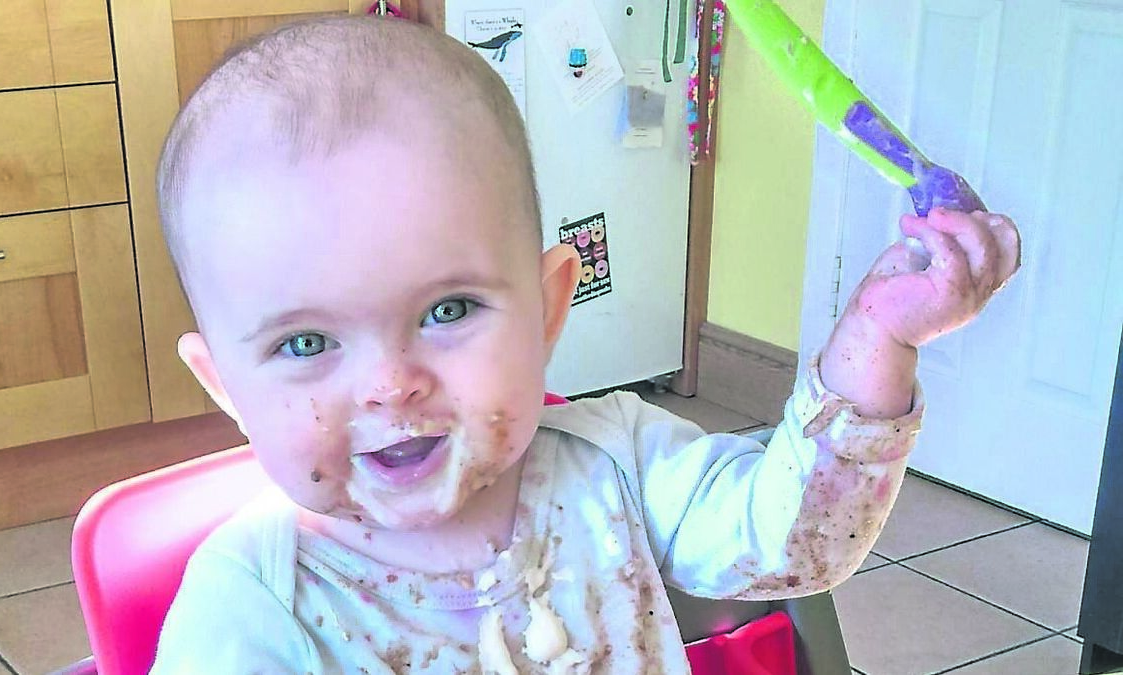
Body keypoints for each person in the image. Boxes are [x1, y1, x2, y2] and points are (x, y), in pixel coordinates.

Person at [149, 15, 1021, 674]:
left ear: (546, 308)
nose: (391, 382)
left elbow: (803, 541)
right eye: (306, 340)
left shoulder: (620, 465)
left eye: (448, 309)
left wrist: (879, 335)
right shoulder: (250, 606)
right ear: (225, 386)